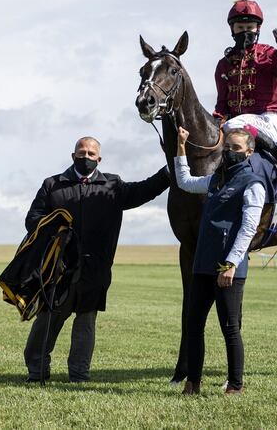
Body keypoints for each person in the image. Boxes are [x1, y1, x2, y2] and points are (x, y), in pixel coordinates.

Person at [23, 136, 170, 383]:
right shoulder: (53, 185)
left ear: (99, 159)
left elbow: (145, 189)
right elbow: (32, 219)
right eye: (82, 153)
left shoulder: (112, 186)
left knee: (86, 321)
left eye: (91, 154)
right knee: (48, 318)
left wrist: (171, 168)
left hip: (96, 268)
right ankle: (37, 371)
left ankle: (79, 375)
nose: (86, 157)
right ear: (73, 156)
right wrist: (57, 227)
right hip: (59, 268)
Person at [174, 125, 266, 395]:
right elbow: (185, 182)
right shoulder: (216, 179)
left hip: (228, 269)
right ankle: (193, 382)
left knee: (230, 328)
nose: (229, 153)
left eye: (236, 148)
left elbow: (248, 229)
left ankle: (235, 385)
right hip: (203, 264)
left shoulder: (253, 184)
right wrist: (181, 148)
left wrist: (231, 264)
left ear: (249, 152)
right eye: (227, 148)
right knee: (194, 325)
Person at [214, 0, 277, 179]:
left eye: (250, 28)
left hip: (265, 121)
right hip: (234, 126)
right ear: (232, 29)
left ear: (258, 29)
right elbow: (221, 104)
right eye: (240, 28)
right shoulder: (224, 64)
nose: (245, 32)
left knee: (234, 123)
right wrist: (215, 123)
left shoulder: (270, 54)